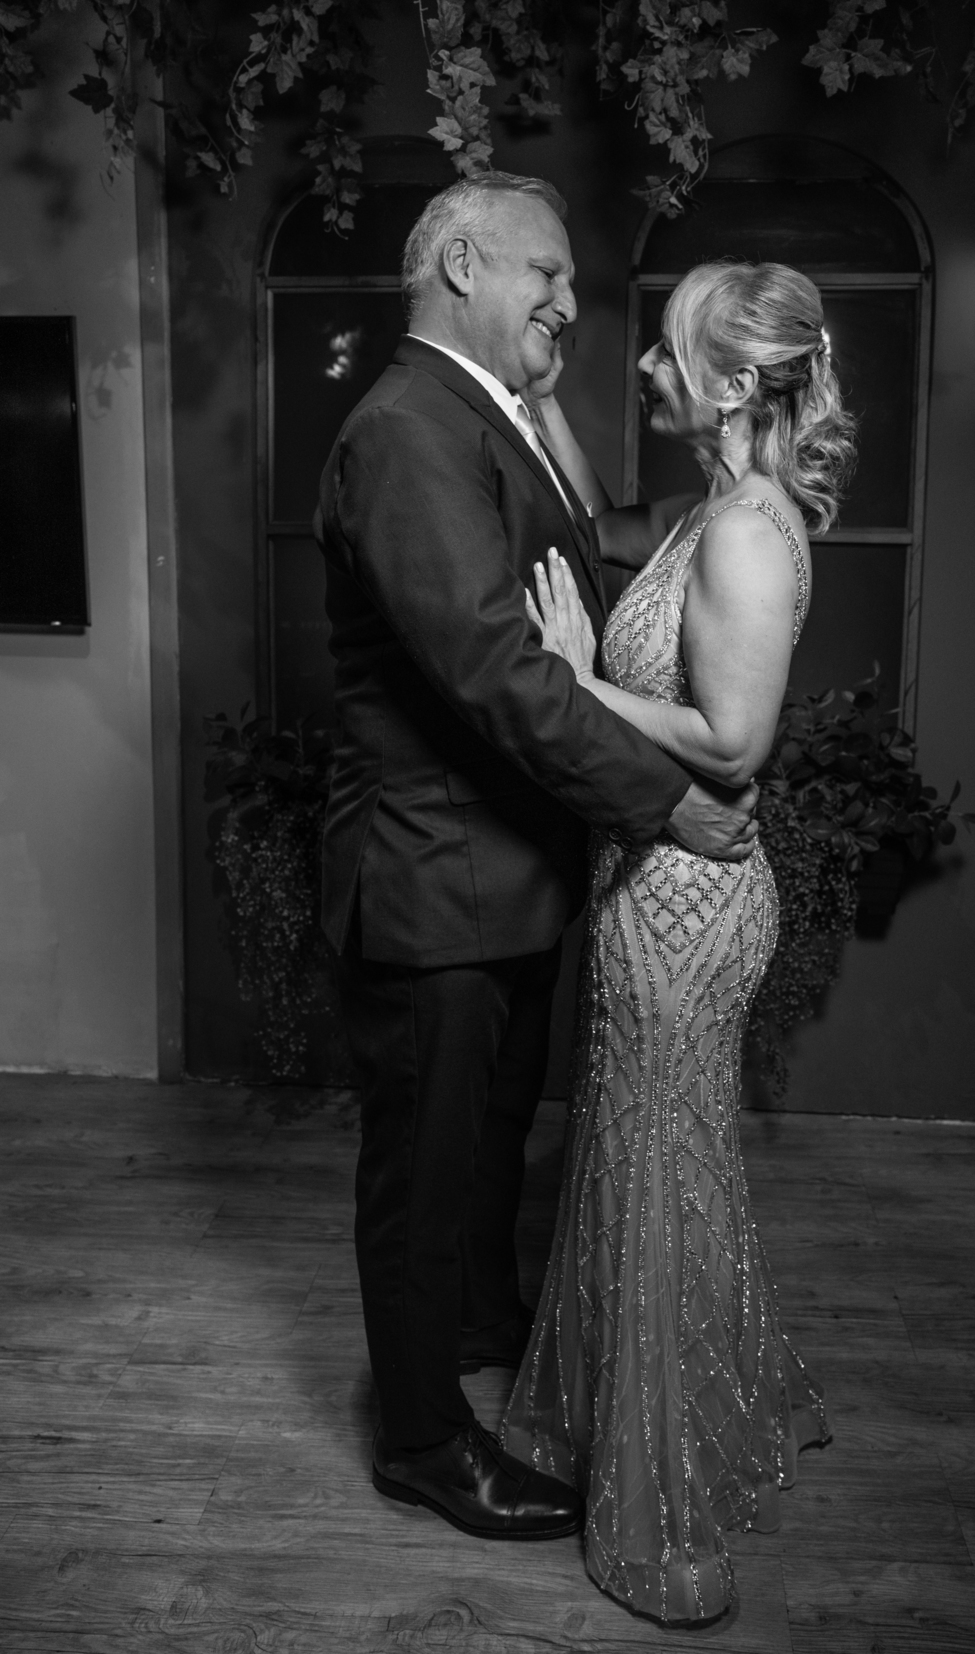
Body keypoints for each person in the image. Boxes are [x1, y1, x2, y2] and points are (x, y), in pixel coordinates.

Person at [314, 174, 760, 1543]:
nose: (570, 300)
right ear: (462, 263)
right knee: (424, 1168)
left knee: (489, 1138)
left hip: (498, 874)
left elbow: (592, 558)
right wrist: (666, 805)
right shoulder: (407, 429)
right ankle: (421, 1441)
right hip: (431, 877)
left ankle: (478, 1324)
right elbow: (497, 674)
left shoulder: (481, 415)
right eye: (546, 274)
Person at [502, 260, 854, 1618]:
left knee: (658, 1177)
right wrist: (538, 392)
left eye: (663, 353)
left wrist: (575, 679)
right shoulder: (707, 509)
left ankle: (665, 1519)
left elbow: (735, 741)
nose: (643, 369)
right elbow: (598, 519)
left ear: (730, 382)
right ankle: (652, 1416)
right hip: (649, 884)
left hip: (688, 909)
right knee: (645, 1164)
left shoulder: (750, 534)